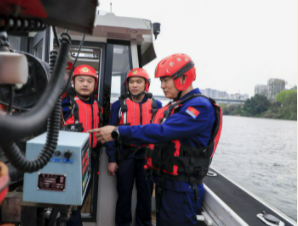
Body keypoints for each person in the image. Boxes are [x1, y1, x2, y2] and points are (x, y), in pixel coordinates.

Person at [89, 53, 223, 225]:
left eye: (166, 80)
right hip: (167, 183)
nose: (162, 86)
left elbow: (162, 131)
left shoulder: (199, 107)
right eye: (161, 81)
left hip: (181, 187)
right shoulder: (177, 106)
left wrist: (117, 131)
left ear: (184, 78)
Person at [106, 68, 162, 226]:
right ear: (127, 85)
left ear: (146, 85)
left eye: (139, 82)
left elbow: (162, 134)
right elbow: (110, 133)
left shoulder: (156, 105)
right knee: (124, 196)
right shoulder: (118, 105)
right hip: (125, 156)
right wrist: (111, 159)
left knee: (145, 197)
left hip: (147, 158)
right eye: (131, 82)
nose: (135, 85)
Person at [62, 65, 102, 226]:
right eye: (81, 80)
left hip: (91, 157)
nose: (85, 84)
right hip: (70, 160)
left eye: (89, 81)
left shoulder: (97, 105)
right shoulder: (66, 103)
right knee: (71, 202)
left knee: (82, 196)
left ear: (95, 84)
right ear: (73, 83)